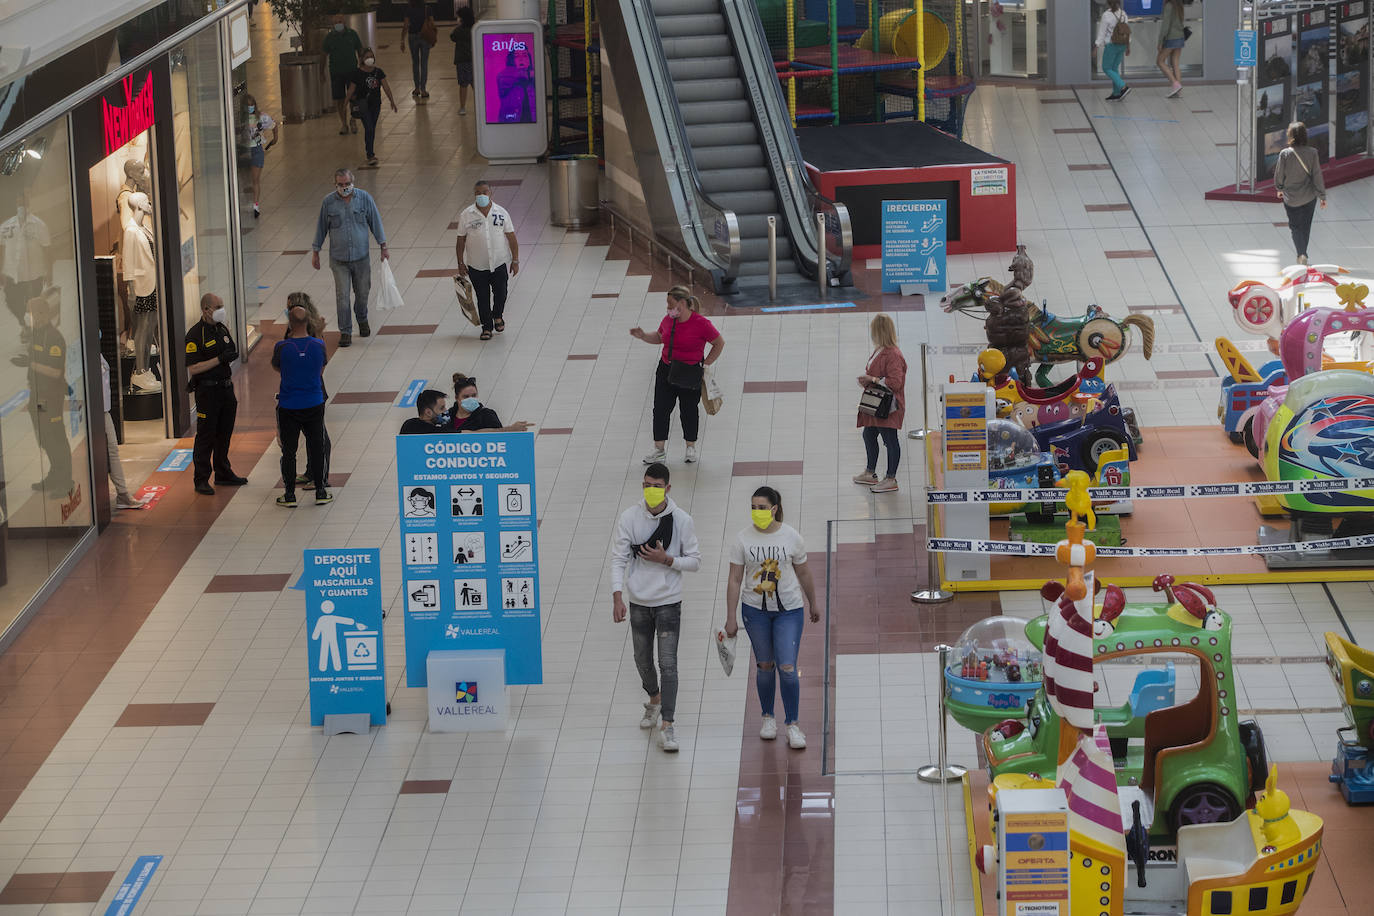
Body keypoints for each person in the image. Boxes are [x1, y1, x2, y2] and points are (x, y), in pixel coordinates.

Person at [610, 462, 701, 753]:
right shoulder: (629, 517)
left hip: (668, 603)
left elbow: (695, 561)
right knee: (642, 660)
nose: (651, 491)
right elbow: (619, 559)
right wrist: (617, 596)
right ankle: (654, 698)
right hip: (638, 602)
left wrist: (668, 560)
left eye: (657, 487)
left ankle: (668, 724)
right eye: (647, 485)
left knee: (668, 663)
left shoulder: (682, 520)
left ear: (668, 488)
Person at [724, 487, 818, 750]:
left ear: (774, 509)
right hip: (755, 610)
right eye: (753, 507)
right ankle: (768, 718)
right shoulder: (742, 539)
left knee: (787, 667)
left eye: (762, 508)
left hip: (789, 610)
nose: (757, 512)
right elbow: (734, 579)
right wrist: (731, 617)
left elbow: (804, 573)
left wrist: (813, 602)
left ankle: (793, 724)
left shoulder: (792, 537)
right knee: (765, 665)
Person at [629, 285, 724, 465]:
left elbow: (719, 343)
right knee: (661, 409)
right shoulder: (668, 320)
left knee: (688, 410)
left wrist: (706, 363)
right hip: (666, 369)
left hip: (689, 372)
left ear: (682, 304)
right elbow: (659, 337)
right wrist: (643, 336)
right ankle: (659, 449)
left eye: (670, 304)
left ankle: (690, 446)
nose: (668, 308)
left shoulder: (701, 323)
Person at [311, 168, 389, 348]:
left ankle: (362, 318)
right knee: (342, 296)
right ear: (335, 184)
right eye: (341, 185)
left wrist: (383, 245)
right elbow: (321, 227)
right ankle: (345, 331)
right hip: (339, 260)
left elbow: (375, 222)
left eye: (347, 184)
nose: (344, 187)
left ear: (352, 182)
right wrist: (316, 251)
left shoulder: (364, 198)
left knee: (362, 293)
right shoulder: (328, 202)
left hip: (361, 257)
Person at [185, 293, 249, 496]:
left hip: (226, 389)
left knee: (224, 433)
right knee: (206, 436)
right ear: (206, 309)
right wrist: (219, 359)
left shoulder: (221, 328)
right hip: (207, 391)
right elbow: (194, 368)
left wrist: (226, 356)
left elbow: (230, 349)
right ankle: (201, 478)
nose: (222, 309)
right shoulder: (195, 335)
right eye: (218, 306)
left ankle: (223, 472)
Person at [271, 307, 330, 507]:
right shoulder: (318, 345)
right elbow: (321, 368)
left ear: (289, 324)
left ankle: (289, 495)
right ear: (308, 322)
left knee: (289, 451)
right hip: (314, 402)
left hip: (289, 405)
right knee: (317, 446)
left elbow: (277, 367)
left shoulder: (282, 347)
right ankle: (321, 491)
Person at [455, 181, 520, 341]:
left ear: (491, 193)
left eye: (484, 192)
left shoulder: (501, 213)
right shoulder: (466, 215)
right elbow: (460, 240)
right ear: (474, 194)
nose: (481, 195)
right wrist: (460, 263)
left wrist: (515, 260)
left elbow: (511, 237)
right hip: (477, 265)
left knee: (501, 293)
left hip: (499, 263)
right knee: (482, 297)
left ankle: (498, 315)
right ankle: (487, 327)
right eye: (478, 192)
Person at [852, 313, 907, 494]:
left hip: (887, 407)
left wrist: (872, 379)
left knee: (890, 440)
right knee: (869, 435)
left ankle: (891, 478)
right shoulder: (881, 350)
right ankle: (870, 472)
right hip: (876, 406)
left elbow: (896, 382)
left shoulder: (892, 354)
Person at [24, 297, 72, 497]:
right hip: (37, 396)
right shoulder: (36, 333)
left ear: (42, 313)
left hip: (51, 398)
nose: (29, 316)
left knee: (56, 438)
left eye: (32, 312)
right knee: (44, 438)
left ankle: (65, 480)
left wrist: (31, 364)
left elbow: (55, 372)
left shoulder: (54, 337)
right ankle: (54, 474)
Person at [283, 292, 331, 489]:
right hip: (300, 388)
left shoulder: (310, 331)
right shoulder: (294, 329)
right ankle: (311, 471)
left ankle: (321, 477)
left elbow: (321, 361)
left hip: (311, 389)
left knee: (318, 436)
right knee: (309, 433)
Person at [1274, 121, 1327, 266]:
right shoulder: (1312, 153)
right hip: (1309, 197)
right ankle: (1303, 253)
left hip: (1291, 198)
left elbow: (1279, 174)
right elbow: (1317, 175)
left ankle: (1301, 254)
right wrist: (1322, 196)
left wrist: (1279, 188)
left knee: (1295, 227)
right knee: (1306, 226)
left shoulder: (1285, 154)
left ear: (1290, 135)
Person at [100, 352, 145, 509]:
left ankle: (123, 494)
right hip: (92, 411)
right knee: (107, 451)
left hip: (103, 410)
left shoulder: (96, 352)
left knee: (112, 449)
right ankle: (122, 494)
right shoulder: (80, 350)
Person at [344, 50, 398, 166]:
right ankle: (370, 154)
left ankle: (370, 150)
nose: (370, 59)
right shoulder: (357, 74)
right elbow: (351, 90)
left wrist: (392, 101)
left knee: (371, 128)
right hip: (363, 105)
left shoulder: (378, 72)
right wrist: (345, 104)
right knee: (369, 127)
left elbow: (386, 87)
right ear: (362, 59)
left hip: (376, 104)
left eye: (371, 56)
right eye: (367, 57)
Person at [448, 373, 534, 432]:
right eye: (466, 397)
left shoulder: (487, 415)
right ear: (457, 398)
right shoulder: (447, 416)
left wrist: (510, 429)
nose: (471, 399)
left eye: (474, 395)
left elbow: (498, 436)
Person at [322, 13, 363, 135]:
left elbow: (359, 49)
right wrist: (321, 72)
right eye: (335, 23)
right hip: (336, 72)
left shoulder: (352, 34)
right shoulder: (329, 37)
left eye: (340, 21)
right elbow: (323, 55)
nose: (338, 24)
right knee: (339, 99)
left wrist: (362, 65)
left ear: (344, 22)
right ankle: (344, 124)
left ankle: (353, 120)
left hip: (352, 71)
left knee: (354, 98)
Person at [241, 94, 277, 218]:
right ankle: (246, 202)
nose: (250, 108)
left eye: (252, 105)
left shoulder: (262, 117)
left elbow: (274, 125)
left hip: (256, 150)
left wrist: (275, 139)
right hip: (244, 151)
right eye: (247, 106)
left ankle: (255, 205)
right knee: (247, 180)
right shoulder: (239, 120)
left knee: (255, 180)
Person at [1095, 1, 1130, 101]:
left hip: (1112, 45)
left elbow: (1102, 32)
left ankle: (1123, 87)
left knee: (1106, 68)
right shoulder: (1123, 13)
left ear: (1108, 3)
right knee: (1114, 68)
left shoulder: (1106, 15)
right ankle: (1116, 93)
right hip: (1122, 45)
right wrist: (1128, 46)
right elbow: (1127, 32)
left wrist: (1096, 46)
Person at [399, 0, 433, 99]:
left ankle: (417, 88)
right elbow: (432, 23)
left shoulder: (409, 9)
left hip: (412, 37)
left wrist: (402, 40)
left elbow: (405, 25)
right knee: (424, 63)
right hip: (425, 37)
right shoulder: (427, 9)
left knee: (415, 62)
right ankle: (423, 89)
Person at [497, 46, 537, 123]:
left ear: (529, 60)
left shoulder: (534, 76)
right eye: (517, 56)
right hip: (511, 122)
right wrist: (529, 74)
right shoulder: (504, 76)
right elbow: (507, 78)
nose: (521, 59)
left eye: (524, 55)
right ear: (511, 60)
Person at [1156, 0, 1186, 99]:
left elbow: (1165, 25)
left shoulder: (1169, 5)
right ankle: (1178, 91)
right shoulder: (1179, 4)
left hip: (1171, 38)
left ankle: (1175, 84)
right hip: (1180, 36)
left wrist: (1160, 41)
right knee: (1175, 64)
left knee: (1160, 61)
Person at [450, 7, 476, 115]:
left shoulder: (459, 30)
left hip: (462, 61)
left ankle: (462, 107)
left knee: (463, 85)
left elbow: (452, 37)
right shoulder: (474, 29)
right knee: (475, 84)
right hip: (474, 61)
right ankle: (480, 105)